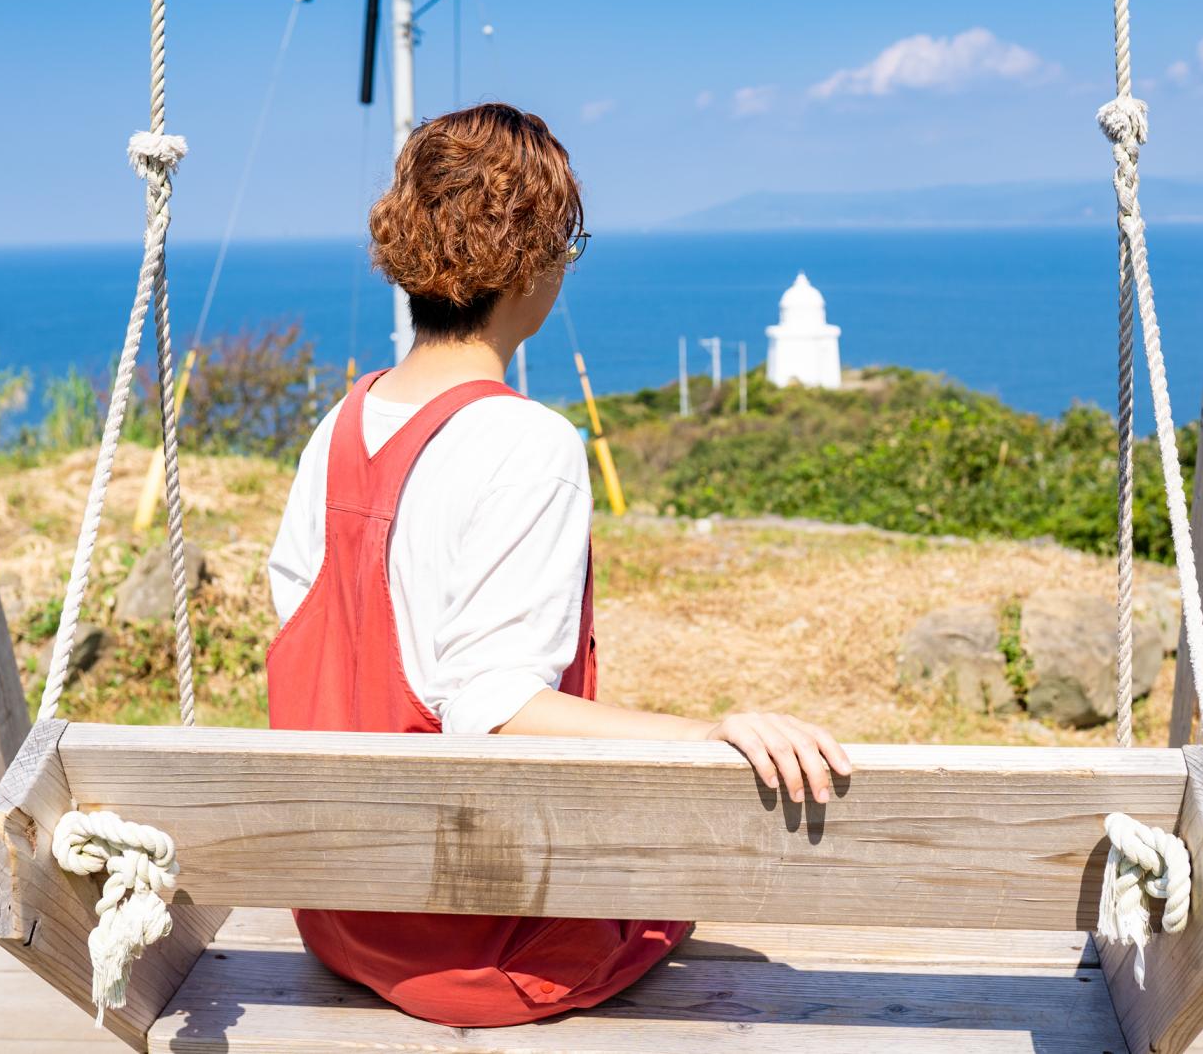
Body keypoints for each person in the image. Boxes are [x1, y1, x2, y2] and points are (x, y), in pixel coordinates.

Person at [265, 103, 850, 1027]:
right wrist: (706, 732)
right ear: (530, 265)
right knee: (669, 897)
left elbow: (313, 634)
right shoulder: (527, 441)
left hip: (340, 914)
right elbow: (488, 708)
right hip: (477, 946)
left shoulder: (335, 429)